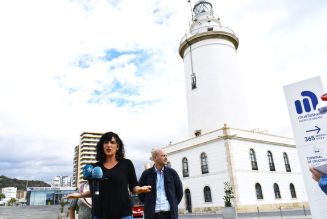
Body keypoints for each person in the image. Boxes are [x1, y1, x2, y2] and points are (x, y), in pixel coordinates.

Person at [66, 131, 151, 219]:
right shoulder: (95, 168)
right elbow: (94, 191)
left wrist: (140, 189)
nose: (109, 145)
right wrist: (79, 195)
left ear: (117, 146)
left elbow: (133, 187)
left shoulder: (127, 164)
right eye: (106, 142)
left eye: (112, 142)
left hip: (123, 214)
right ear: (102, 146)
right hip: (99, 214)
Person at [138, 148, 183, 219]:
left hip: (170, 215)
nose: (166, 157)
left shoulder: (172, 173)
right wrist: (149, 203)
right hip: (152, 215)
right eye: (163, 155)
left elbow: (179, 192)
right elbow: (140, 193)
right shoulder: (146, 174)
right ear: (155, 158)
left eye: (166, 155)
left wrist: (173, 203)